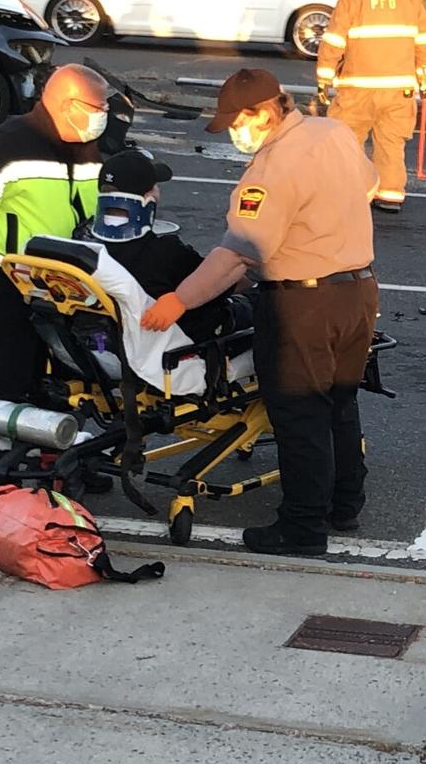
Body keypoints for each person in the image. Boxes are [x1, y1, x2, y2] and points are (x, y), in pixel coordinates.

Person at [139, 68, 379, 556]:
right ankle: (344, 504)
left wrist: (179, 299)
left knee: (299, 415)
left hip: (303, 304)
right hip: (359, 291)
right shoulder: (333, 132)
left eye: (236, 122)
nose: (233, 133)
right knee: (339, 402)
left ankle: (302, 529)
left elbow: (236, 255)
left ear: (265, 112)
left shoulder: (271, 169)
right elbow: (367, 186)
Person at [0, 63, 110, 407]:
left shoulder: (88, 143)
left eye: (105, 109)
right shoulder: (7, 144)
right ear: (66, 105)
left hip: (65, 280)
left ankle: (49, 443)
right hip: (6, 278)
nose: (103, 116)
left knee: (65, 375)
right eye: (97, 109)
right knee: (7, 372)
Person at [315, 0, 426, 214]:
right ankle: (390, 194)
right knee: (391, 144)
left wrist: (324, 78)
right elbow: (425, 43)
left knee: (346, 141)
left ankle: (349, 192)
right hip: (399, 91)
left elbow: (333, 43)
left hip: (358, 89)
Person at [84, 148, 244, 343]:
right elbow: (219, 283)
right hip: (170, 347)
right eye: (155, 186)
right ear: (148, 198)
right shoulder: (166, 253)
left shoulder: (84, 250)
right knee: (254, 304)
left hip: (102, 346)